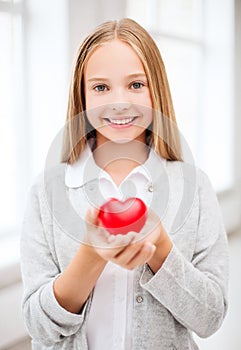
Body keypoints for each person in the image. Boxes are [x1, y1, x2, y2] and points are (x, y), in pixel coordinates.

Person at [20, 18, 229, 350]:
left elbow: (210, 317)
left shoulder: (196, 188)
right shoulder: (46, 193)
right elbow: (39, 327)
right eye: (101, 87)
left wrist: (161, 250)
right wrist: (90, 255)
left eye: (135, 85)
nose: (119, 102)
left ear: (156, 88)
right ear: (82, 96)